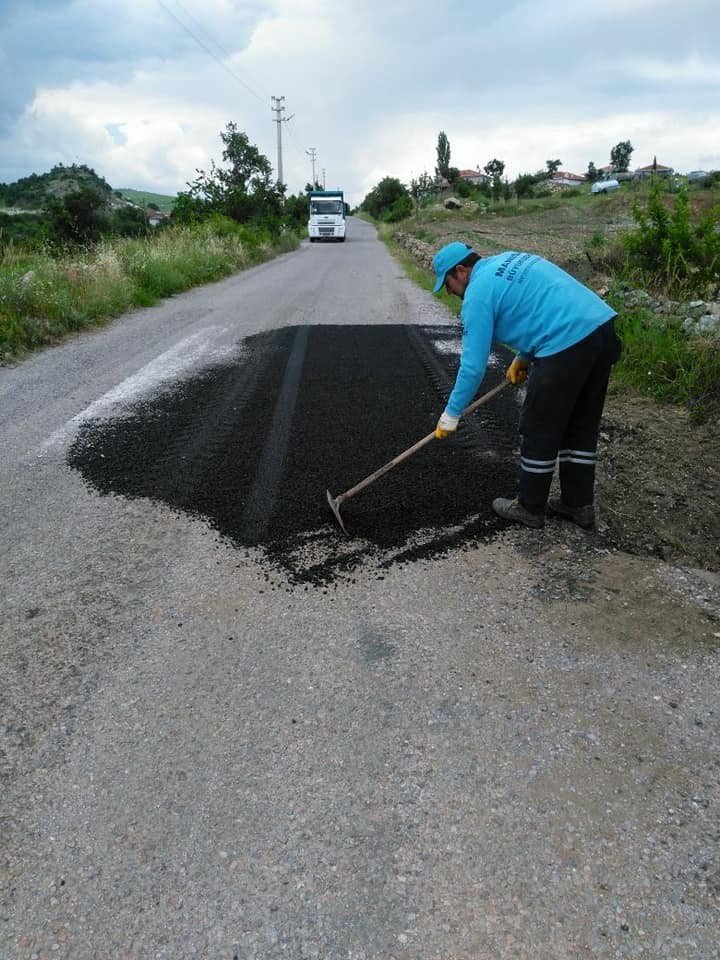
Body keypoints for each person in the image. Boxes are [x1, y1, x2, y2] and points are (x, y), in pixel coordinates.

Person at [432, 241, 622, 529]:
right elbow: (541, 305)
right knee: (580, 425)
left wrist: (452, 412)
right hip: (601, 332)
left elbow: (472, 366)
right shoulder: (506, 261)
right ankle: (578, 505)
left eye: (447, 283)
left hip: (566, 342)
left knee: (538, 426)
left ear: (460, 270)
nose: (448, 291)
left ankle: (530, 507)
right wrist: (524, 355)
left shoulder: (477, 294)